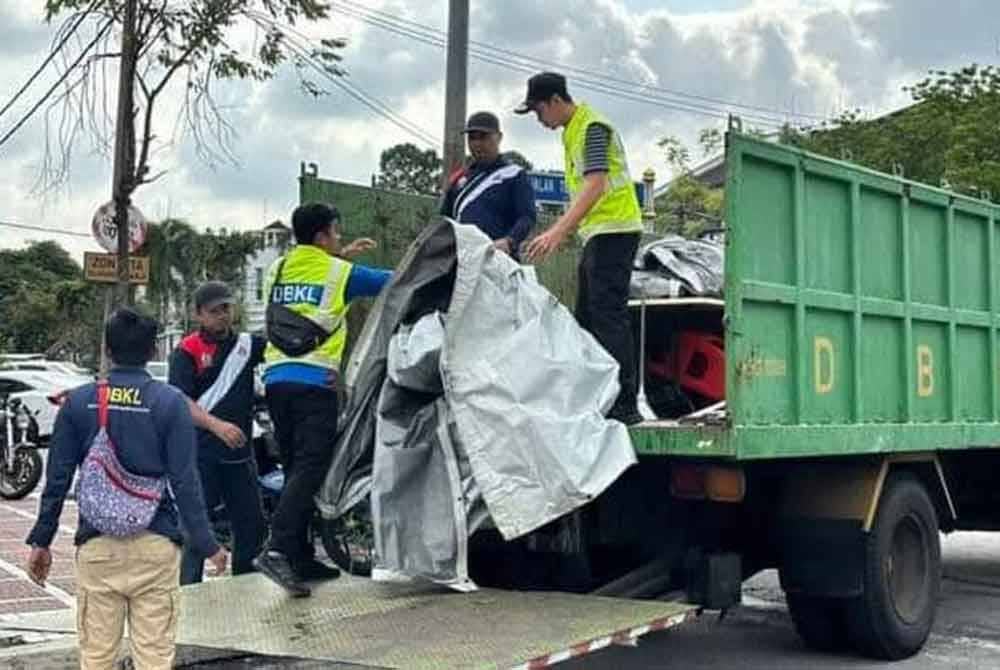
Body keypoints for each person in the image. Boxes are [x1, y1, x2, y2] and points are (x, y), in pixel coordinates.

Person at [25, 308, 228, 670]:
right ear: (152, 351)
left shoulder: (79, 402)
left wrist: (42, 541)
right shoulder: (169, 402)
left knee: (97, 656)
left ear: (107, 349)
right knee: (154, 656)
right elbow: (185, 481)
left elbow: (57, 480)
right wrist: (207, 544)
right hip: (156, 545)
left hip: (97, 547)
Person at [254, 202, 391, 597]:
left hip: (276, 380)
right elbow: (394, 282)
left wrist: (340, 255)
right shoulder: (341, 273)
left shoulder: (278, 269)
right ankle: (277, 549)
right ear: (322, 236)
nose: (340, 237)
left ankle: (299, 557)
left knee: (295, 468)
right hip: (315, 383)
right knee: (311, 468)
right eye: (336, 231)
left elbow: (308, 280)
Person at [516, 71, 644, 425]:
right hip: (598, 234)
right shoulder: (572, 131)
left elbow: (596, 184)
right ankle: (597, 398)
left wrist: (557, 232)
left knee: (607, 315)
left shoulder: (592, 128)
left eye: (539, 110)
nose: (539, 120)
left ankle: (624, 405)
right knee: (586, 318)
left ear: (556, 101)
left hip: (615, 229)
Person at [170, 281, 267, 585]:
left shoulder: (248, 346)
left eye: (226, 308)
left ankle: (245, 587)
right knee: (195, 527)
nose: (223, 315)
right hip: (200, 453)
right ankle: (188, 592)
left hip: (239, 454)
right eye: (214, 311)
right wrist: (216, 425)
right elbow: (181, 401)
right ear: (199, 314)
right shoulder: (187, 350)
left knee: (251, 524)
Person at [440, 111, 537, 257]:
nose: (477, 143)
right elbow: (444, 221)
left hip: (499, 258)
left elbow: (527, 216)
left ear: (499, 137)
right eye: (472, 138)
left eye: (483, 136)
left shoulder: (514, 175)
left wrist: (510, 241)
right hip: (464, 259)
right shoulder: (459, 179)